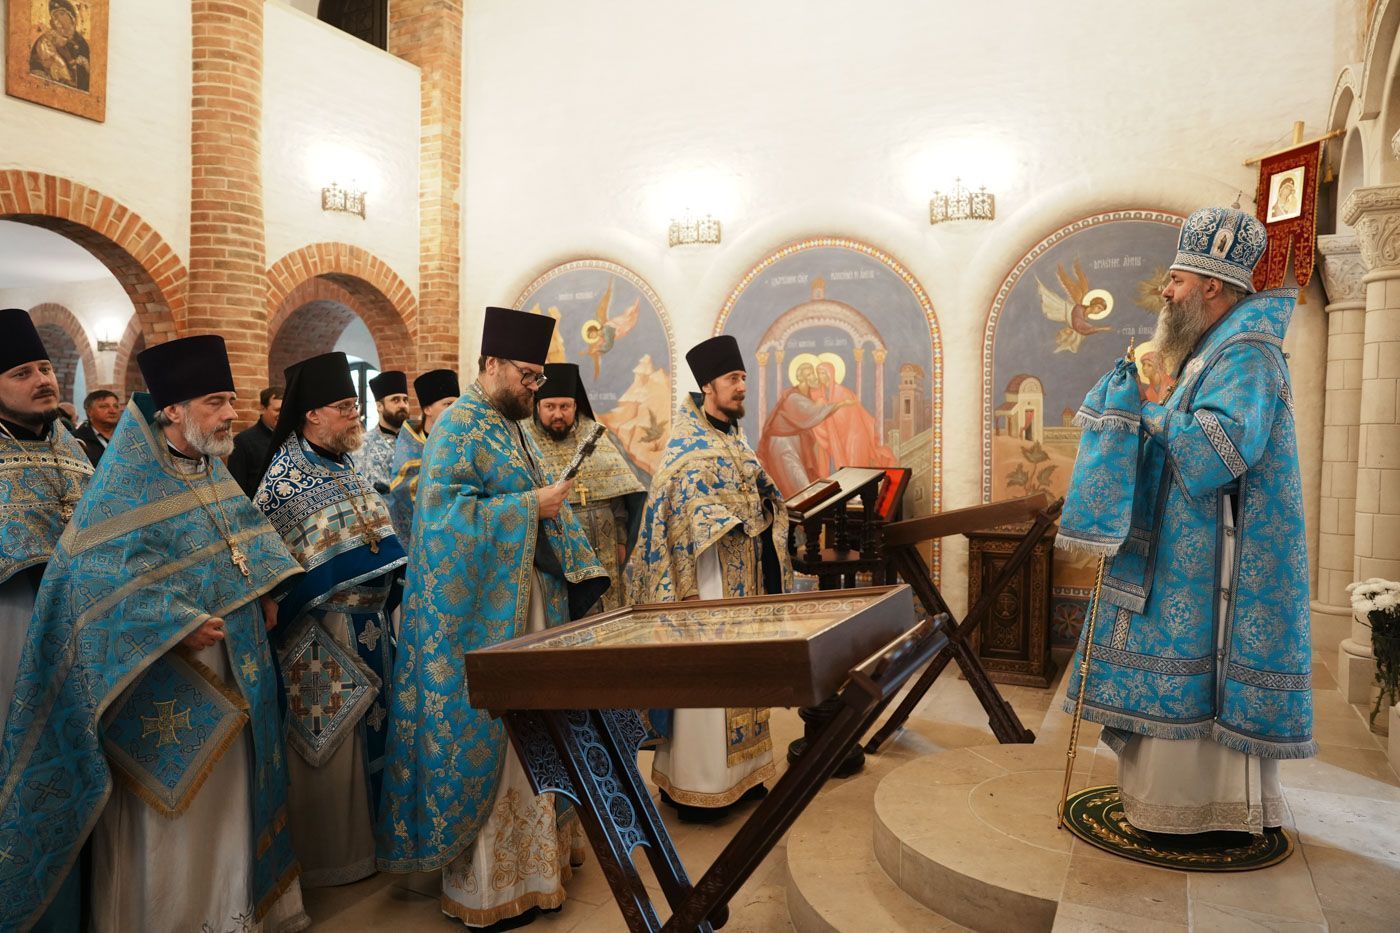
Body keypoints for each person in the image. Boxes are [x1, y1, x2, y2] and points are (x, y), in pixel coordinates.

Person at [0, 335, 309, 932]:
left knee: (230, 807)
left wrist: (266, 589)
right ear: (172, 409)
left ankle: (235, 915)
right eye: (216, 402)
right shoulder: (126, 480)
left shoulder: (210, 469)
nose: (230, 414)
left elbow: (244, 545)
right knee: (173, 821)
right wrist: (174, 621)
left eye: (231, 400)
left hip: (236, 669)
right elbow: (91, 574)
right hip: (159, 679)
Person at [1061, 205, 1311, 838]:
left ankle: (1198, 809)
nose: (1166, 292)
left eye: (1175, 280)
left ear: (1212, 287)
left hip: (1215, 557)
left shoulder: (1247, 353)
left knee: (1196, 676)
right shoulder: (1213, 348)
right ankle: (1169, 804)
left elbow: (1222, 449)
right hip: (1185, 544)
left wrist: (1150, 412)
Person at [378, 306, 607, 929]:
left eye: (538, 378)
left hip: (525, 610)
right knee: (498, 749)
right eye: (527, 376)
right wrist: (531, 506)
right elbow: (442, 525)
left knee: (533, 741)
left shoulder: (508, 425)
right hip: (481, 623)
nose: (534, 388)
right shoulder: (458, 427)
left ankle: (537, 872)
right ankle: (491, 888)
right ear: (492, 364)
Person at [255, 352, 405, 888]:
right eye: (344, 407)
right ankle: (335, 858)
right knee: (336, 744)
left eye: (353, 405)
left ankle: (377, 845)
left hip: (371, 628)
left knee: (376, 732)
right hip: (322, 634)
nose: (354, 414)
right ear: (312, 415)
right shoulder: (283, 481)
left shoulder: (346, 467)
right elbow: (277, 572)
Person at [628, 334, 792, 822]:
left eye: (743, 377)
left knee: (744, 673)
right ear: (708, 386)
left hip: (744, 573)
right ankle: (699, 784)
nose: (742, 386)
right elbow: (682, 507)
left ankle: (747, 774)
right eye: (732, 379)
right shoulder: (687, 442)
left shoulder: (733, 437)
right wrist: (736, 519)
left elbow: (758, 487)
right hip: (705, 579)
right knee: (711, 679)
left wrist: (770, 506)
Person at [0, 309, 94, 932]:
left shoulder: (74, 448)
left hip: (82, 632)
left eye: (44, 367)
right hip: (11, 629)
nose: (42, 379)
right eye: (21, 372)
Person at [523, 362, 646, 613]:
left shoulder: (595, 437)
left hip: (606, 545)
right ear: (537, 406)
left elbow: (620, 498)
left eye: (565, 406)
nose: (558, 414)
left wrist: (621, 540)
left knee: (608, 613)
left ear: (575, 406)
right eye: (550, 407)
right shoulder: (526, 444)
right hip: (557, 555)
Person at [386, 368, 458, 544]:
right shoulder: (410, 446)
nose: (456, 409)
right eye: (448, 404)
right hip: (416, 536)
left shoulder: (461, 440)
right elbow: (401, 494)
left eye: (458, 403)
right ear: (427, 409)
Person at [757, 360, 849, 497]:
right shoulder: (793, 397)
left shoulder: (804, 395)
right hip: (782, 444)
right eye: (810, 374)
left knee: (801, 485)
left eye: (813, 373)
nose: (814, 377)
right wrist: (838, 404)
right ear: (803, 378)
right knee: (800, 484)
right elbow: (811, 413)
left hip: (793, 441)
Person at [358, 369, 411, 497]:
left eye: (405, 400)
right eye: (395, 400)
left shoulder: (417, 443)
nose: (403, 405)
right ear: (379, 406)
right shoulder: (362, 445)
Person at [227, 386, 283, 497]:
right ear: (263, 408)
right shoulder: (242, 442)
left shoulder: (293, 438)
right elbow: (236, 489)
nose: (283, 414)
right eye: (277, 410)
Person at [29, 0, 90, 91]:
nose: (58, 19)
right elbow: (35, 67)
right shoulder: (46, 39)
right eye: (55, 16)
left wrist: (85, 66)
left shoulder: (81, 44)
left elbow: (85, 82)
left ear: (72, 17)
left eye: (62, 14)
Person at [72, 387, 121, 465]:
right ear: (89, 411)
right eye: (104, 406)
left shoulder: (127, 436)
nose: (113, 411)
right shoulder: (76, 440)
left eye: (116, 406)